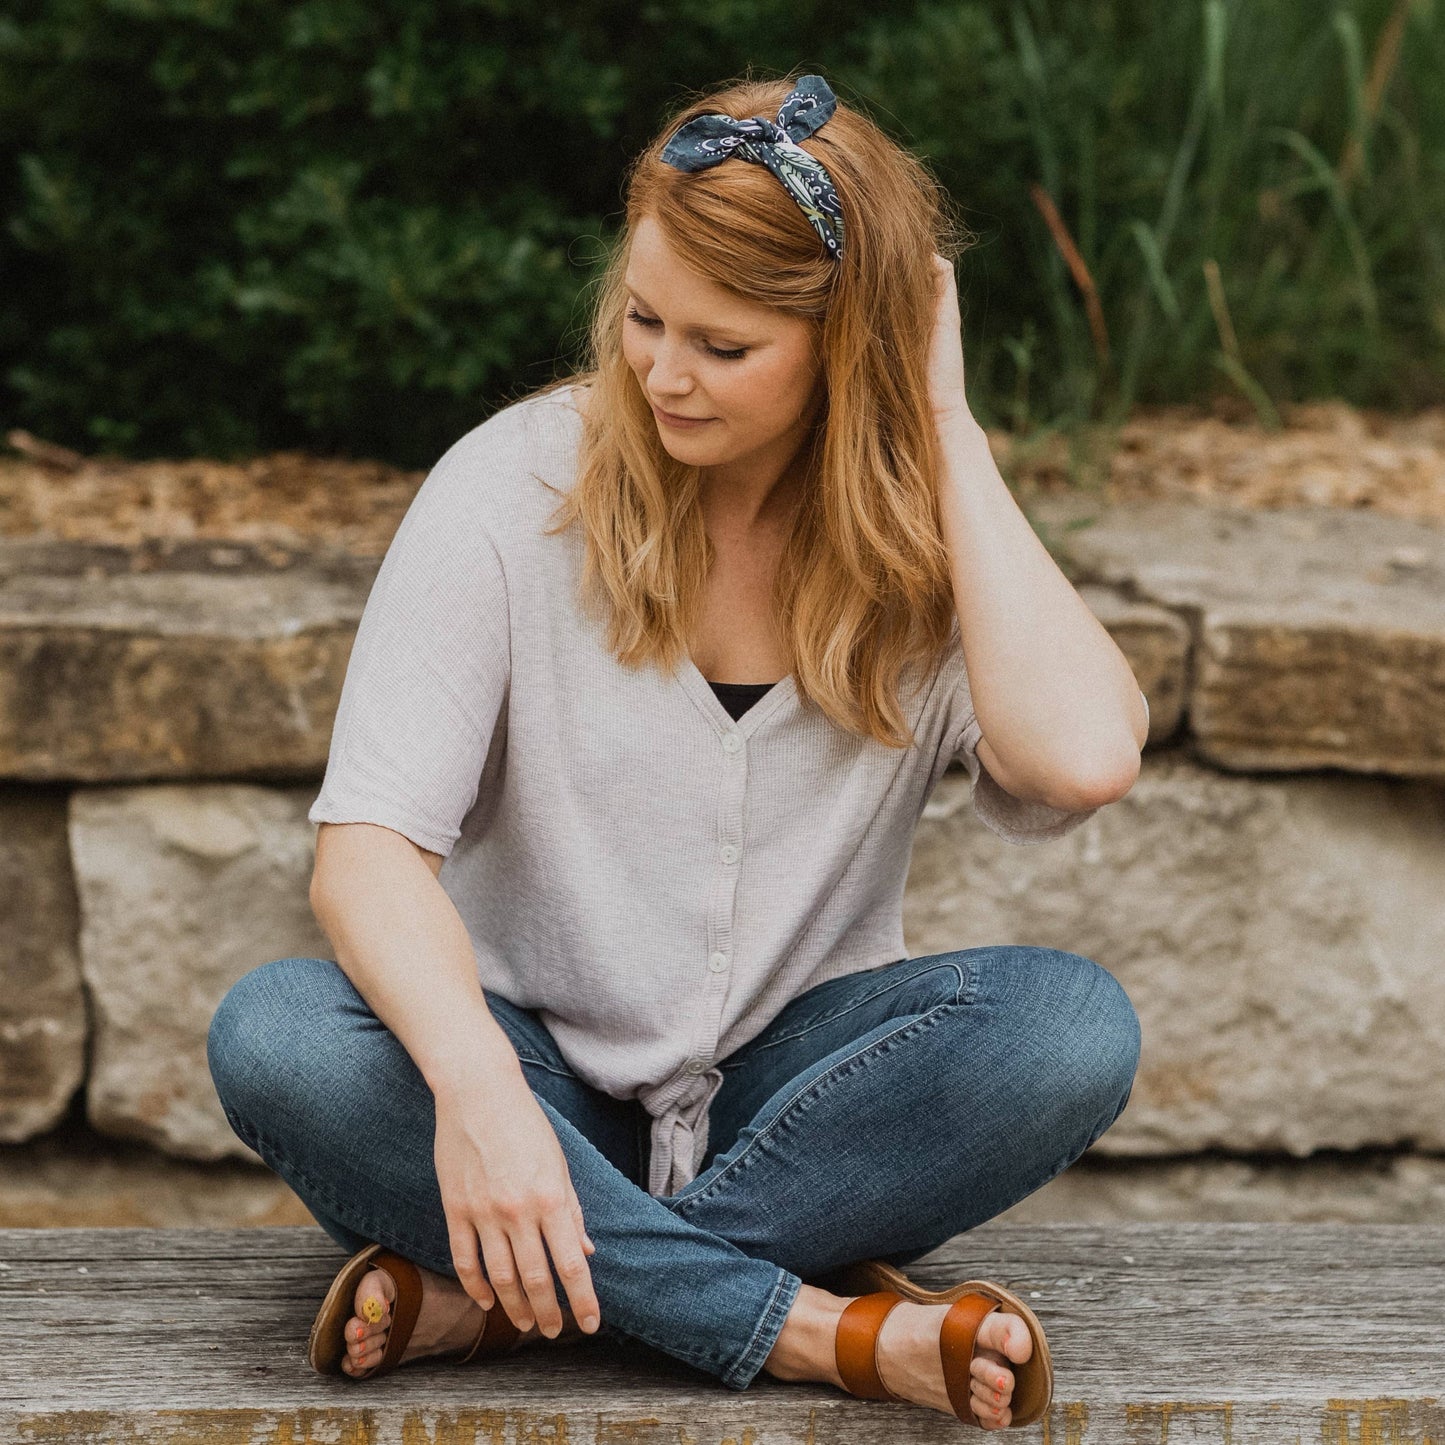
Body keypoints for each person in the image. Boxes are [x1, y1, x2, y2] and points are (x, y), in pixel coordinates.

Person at [207, 72, 1147, 1430]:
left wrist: (943, 425)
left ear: (849, 349)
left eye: (721, 344)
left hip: (798, 1096)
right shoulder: (510, 484)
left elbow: (1079, 761)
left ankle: (517, 1295)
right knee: (280, 1035)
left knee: (1067, 1030)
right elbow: (365, 858)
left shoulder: (927, 544)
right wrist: (476, 1096)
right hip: (536, 1084)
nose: (659, 370)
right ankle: (809, 1324)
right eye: (643, 319)